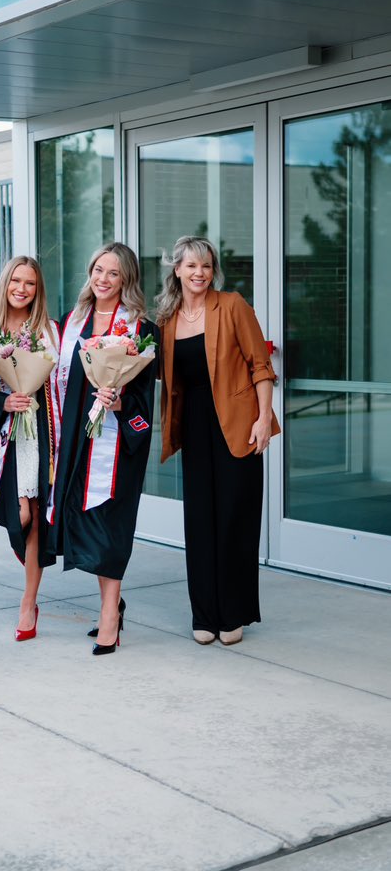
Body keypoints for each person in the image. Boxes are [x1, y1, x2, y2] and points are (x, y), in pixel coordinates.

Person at [156, 235, 279, 646]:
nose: (199, 273)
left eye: (206, 266)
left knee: (234, 520)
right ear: (177, 270)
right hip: (193, 429)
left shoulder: (232, 306)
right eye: (191, 266)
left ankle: (234, 613)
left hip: (238, 424)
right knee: (201, 522)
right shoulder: (168, 318)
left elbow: (260, 365)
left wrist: (264, 419)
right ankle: (205, 613)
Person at [49, 242, 157, 656]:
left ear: (126, 278)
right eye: (97, 269)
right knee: (90, 523)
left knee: (112, 526)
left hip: (118, 444)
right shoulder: (71, 323)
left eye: (113, 273)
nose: (103, 279)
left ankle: (110, 614)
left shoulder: (142, 329)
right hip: (77, 441)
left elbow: (145, 396)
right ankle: (113, 603)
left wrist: (121, 403)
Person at [0, 257, 58, 641]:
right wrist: (3, 402)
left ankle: (29, 602)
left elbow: (58, 382)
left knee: (35, 512)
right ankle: (27, 571)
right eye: (16, 280)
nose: (22, 289)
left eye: (29, 283)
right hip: (5, 433)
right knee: (19, 515)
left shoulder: (47, 330)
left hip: (39, 431)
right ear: (5, 282)